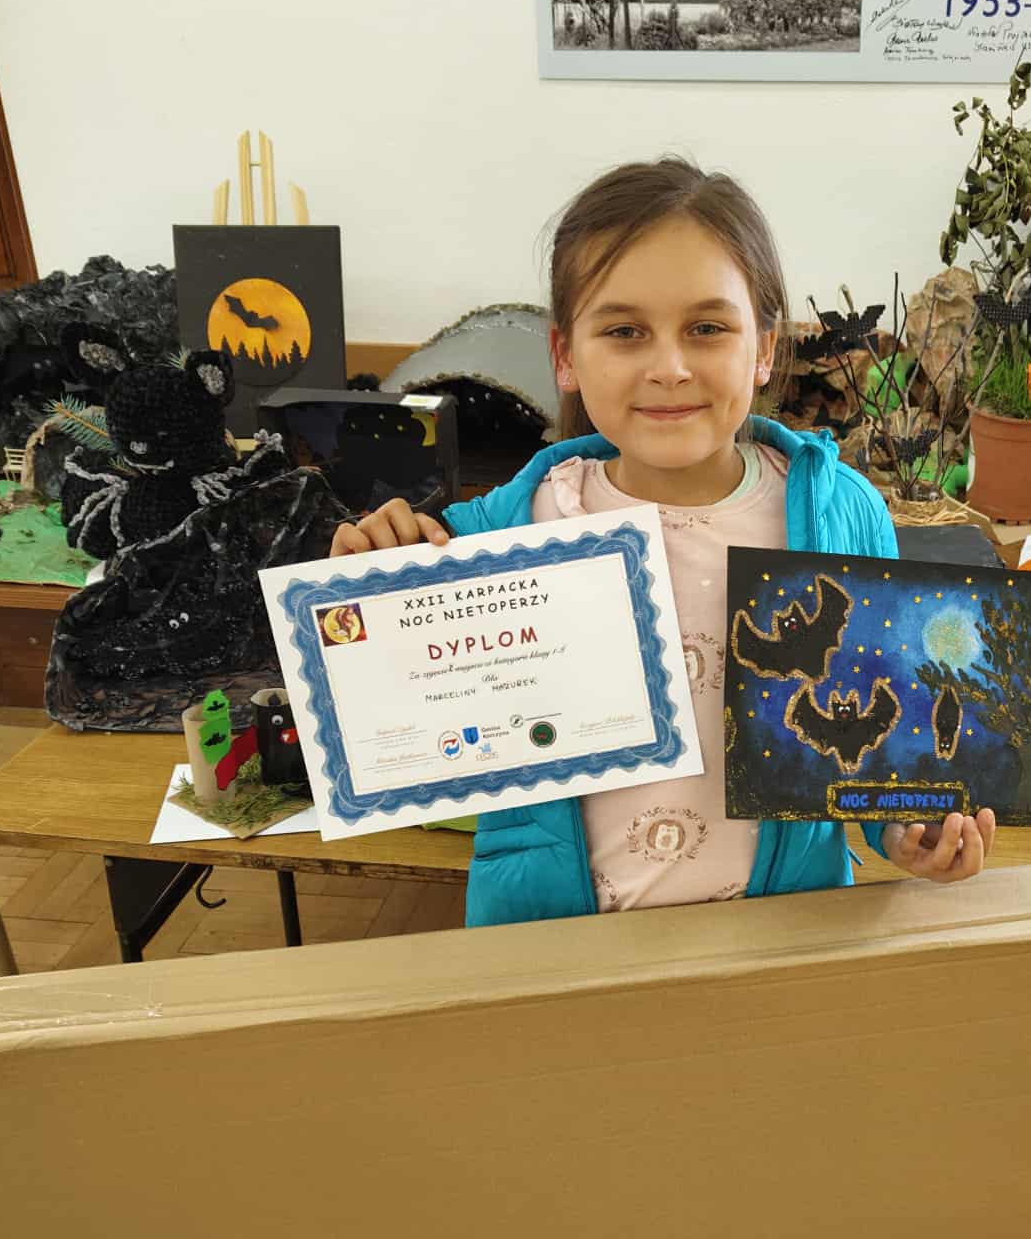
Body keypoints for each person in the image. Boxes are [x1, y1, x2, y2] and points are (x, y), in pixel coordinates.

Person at [330, 157, 996, 926]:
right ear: (565, 356)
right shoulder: (502, 534)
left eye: (707, 328)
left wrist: (908, 829)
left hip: (780, 938)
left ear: (764, 347)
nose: (670, 368)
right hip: (557, 947)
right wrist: (368, 581)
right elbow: (394, 708)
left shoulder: (841, 513)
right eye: (625, 331)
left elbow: (878, 734)